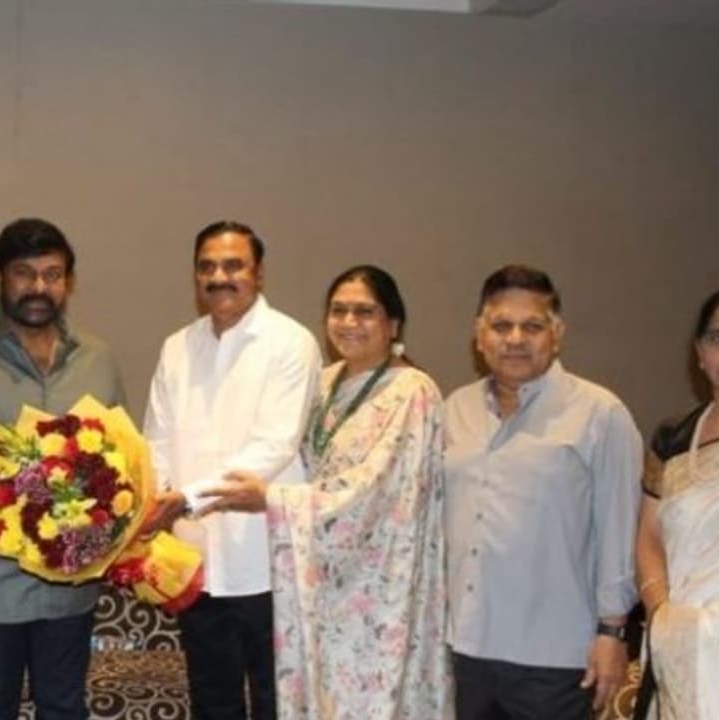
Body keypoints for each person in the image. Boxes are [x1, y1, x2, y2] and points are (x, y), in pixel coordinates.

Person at [205, 265, 451, 719]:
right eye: (338, 311)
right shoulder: (324, 382)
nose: (349, 322)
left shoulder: (413, 391)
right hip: (318, 577)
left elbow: (377, 489)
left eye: (365, 312)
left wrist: (273, 500)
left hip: (380, 587)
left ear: (393, 324)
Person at [0, 218, 125, 720]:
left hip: (71, 583)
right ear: (0, 277)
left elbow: (119, 458)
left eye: (52, 275)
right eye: (24, 274)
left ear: (68, 282)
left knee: (64, 706)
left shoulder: (97, 358)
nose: (38, 287)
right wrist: (14, 521)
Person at [444, 264, 642, 719]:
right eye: (501, 326)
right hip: (465, 650)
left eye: (532, 326)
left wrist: (613, 633)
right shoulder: (455, 409)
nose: (515, 339)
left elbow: (619, 531)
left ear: (557, 334)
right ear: (479, 334)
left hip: (555, 658)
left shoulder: (599, 414)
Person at [141, 221, 320, 720]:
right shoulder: (177, 347)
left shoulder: (290, 342)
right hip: (194, 562)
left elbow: (274, 444)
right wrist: (153, 499)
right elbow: (156, 437)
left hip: (265, 560)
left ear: (258, 274)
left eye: (233, 265)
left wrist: (186, 498)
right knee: (212, 701)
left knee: (275, 702)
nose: (219, 277)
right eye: (207, 267)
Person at [632, 282, 719, 719]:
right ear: (699, 353)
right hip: (678, 638)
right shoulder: (672, 438)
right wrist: (664, 614)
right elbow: (648, 539)